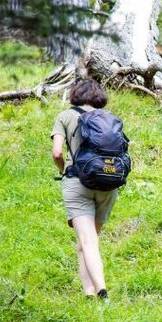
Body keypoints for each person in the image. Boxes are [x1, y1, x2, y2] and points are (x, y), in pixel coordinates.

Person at [51, 80, 119, 302]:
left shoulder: (65, 116)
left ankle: (102, 292)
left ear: (75, 95)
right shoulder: (108, 117)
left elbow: (57, 153)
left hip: (77, 183)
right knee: (85, 242)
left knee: (87, 240)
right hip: (108, 183)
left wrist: (63, 171)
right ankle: (88, 293)